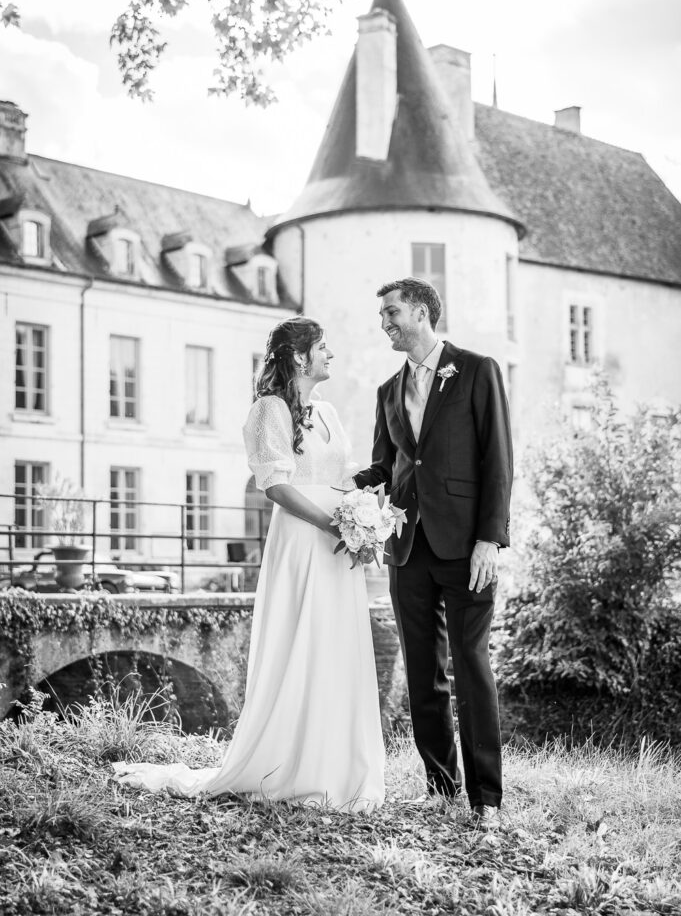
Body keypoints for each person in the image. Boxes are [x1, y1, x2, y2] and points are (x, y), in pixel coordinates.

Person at [113, 317, 385, 811]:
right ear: (300, 357)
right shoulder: (269, 410)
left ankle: (339, 764)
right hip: (304, 539)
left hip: (338, 542)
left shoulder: (328, 412)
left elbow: (343, 475)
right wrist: (331, 523)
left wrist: (366, 518)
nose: (331, 355)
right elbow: (276, 485)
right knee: (299, 643)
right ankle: (291, 763)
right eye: (323, 348)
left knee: (335, 644)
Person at [353, 278, 512, 830]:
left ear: (421, 312)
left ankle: (486, 799)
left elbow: (498, 458)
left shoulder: (476, 369)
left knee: (470, 668)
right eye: (382, 315)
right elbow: (385, 466)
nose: (385, 323)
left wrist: (490, 539)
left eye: (391, 312)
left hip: (468, 546)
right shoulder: (387, 391)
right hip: (408, 548)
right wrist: (330, 482)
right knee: (424, 673)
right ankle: (441, 788)